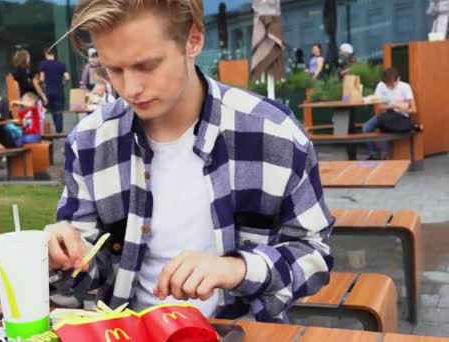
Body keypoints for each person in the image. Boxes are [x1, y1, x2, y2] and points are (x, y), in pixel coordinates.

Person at [48, 0, 334, 323]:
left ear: (193, 40)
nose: (130, 88)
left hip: (239, 331)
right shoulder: (89, 142)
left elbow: (314, 256)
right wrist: (58, 256)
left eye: (146, 65)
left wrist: (237, 269)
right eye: (113, 70)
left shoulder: (273, 133)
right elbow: (81, 282)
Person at [363, 68, 417, 160]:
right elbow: (379, 106)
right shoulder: (381, 86)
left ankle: (385, 156)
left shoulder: (405, 87)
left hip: (400, 116)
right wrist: (394, 105)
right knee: (366, 128)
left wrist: (402, 109)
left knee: (385, 127)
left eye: (391, 84)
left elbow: (414, 109)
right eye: (387, 84)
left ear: (398, 79)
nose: (389, 86)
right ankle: (373, 153)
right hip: (384, 115)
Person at [39, 48, 70, 133]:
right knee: (59, 110)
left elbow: (41, 78)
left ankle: (57, 126)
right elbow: (67, 77)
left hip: (48, 91)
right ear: (54, 54)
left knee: (53, 111)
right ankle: (59, 129)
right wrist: (63, 84)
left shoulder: (43, 65)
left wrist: (42, 86)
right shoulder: (61, 64)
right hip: (59, 90)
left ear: (46, 54)